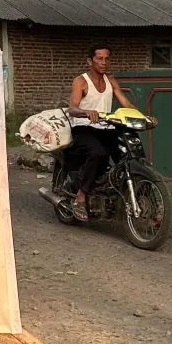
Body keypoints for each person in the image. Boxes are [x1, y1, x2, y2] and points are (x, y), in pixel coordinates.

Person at [67, 44, 137, 222]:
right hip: (84, 128)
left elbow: (125, 103)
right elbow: (73, 108)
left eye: (107, 58)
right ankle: (81, 196)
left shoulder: (111, 81)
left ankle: (139, 200)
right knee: (99, 154)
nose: (104, 62)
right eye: (99, 58)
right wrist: (86, 112)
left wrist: (142, 116)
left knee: (130, 155)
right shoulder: (81, 81)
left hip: (106, 127)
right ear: (90, 61)